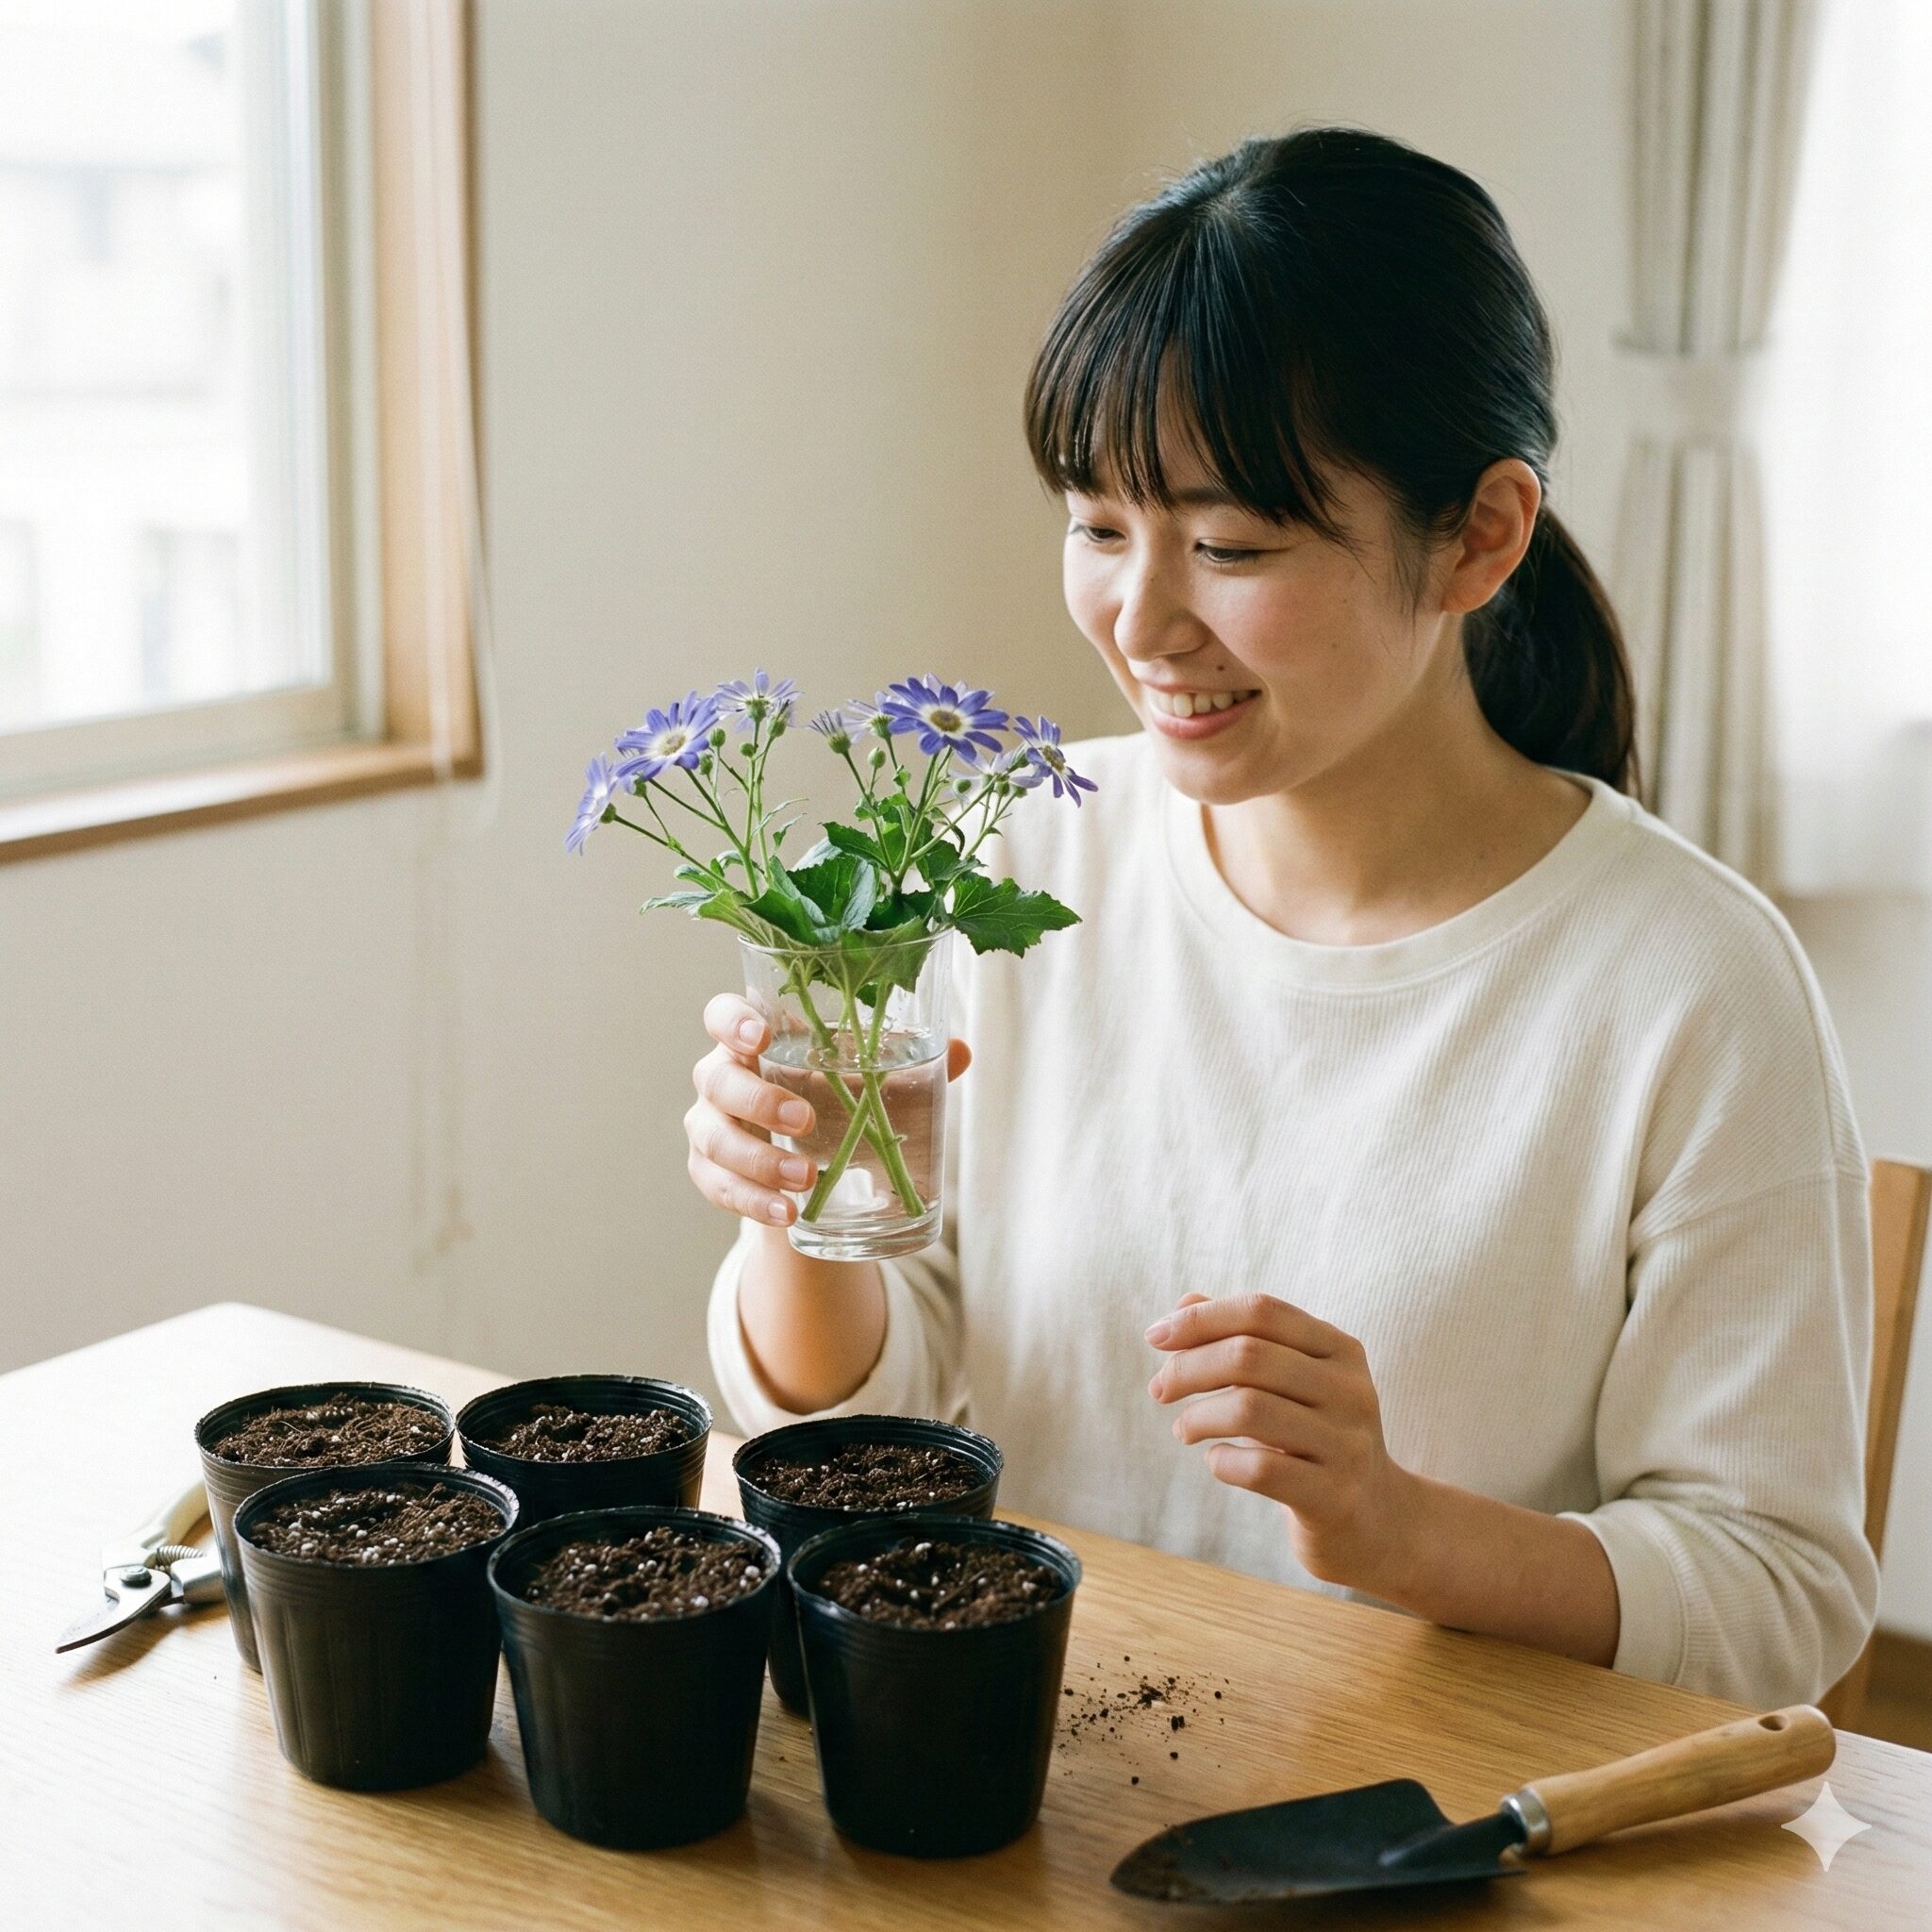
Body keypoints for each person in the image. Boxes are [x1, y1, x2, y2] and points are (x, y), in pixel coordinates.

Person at [686, 127, 1877, 1708]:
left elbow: (1781, 1591)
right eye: (1099, 528)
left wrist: (1400, 1529)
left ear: (1480, 537)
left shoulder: (1686, 980)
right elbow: (860, 1415)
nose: (1142, 618)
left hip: (1425, 1818)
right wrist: (798, 1197)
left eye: (1232, 545)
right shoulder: (1028, 848)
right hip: (1028, 1763)